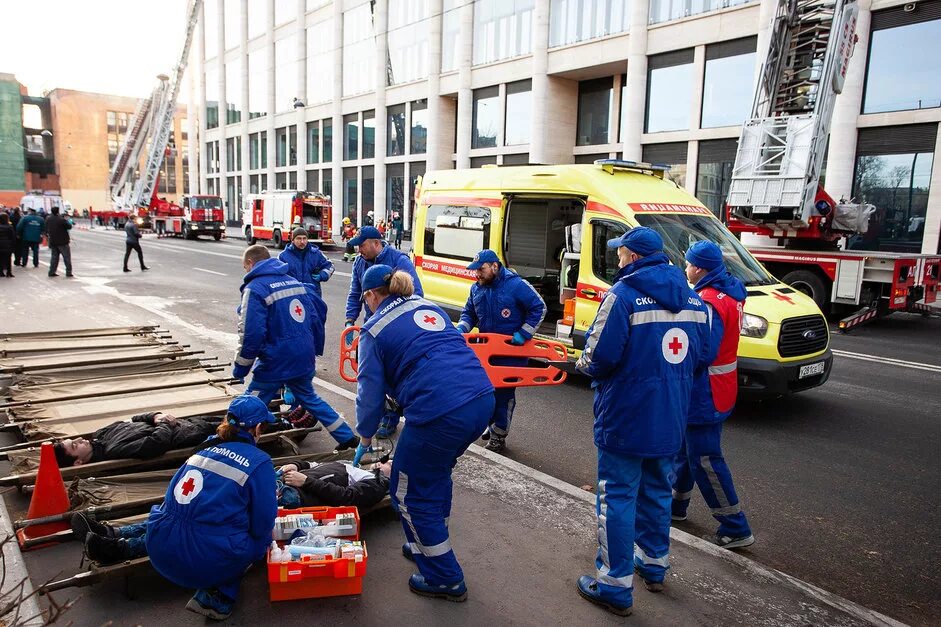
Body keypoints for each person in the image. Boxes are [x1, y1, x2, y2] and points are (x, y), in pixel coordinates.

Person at [573, 227, 710, 616]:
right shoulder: (695, 299)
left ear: (632, 257)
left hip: (626, 415)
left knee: (616, 496)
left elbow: (599, 356)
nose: (617, 258)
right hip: (671, 414)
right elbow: (702, 357)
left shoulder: (623, 296)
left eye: (620, 253)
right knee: (657, 491)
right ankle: (654, 563)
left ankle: (613, 585)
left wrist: (581, 364)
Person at [354, 264, 494, 601]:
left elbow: (369, 393)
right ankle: (427, 540)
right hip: (480, 398)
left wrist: (365, 437)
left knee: (406, 489)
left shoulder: (372, 330)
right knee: (434, 471)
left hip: (440, 411)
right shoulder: (426, 305)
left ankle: (444, 577)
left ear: (372, 295)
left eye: (365, 300)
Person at [77, 395, 279, 620]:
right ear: (258, 427)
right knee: (260, 541)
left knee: (180, 516)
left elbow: (171, 502)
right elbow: (262, 524)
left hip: (159, 545)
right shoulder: (259, 462)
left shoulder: (202, 452)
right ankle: (217, 598)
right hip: (201, 563)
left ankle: (118, 537)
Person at [672, 240, 754, 549]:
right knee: (686, 449)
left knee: (705, 458)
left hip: (703, 391)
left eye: (689, 263)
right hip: (719, 387)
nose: (686, 268)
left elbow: (703, 351)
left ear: (700, 268)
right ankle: (675, 506)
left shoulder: (707, 301)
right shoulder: (729, 292)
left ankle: (735, 526)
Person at [234, 245, 358, 450]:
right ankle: (347, 438)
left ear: (249, 263)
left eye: (245, 267)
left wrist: (240, 368)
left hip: (276, 360)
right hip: (303, 356)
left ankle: (233, 443)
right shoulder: (294, 283)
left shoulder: (255, 289)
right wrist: (313, 349)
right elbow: (315, 319)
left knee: (250, 402)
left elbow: (250, 333)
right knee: (310, 398)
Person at [456, 249, 546, 452]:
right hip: (486, 352)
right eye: (475, 270)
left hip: (510, 354)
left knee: (504, 396)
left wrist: (524, 333)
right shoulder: (476, 289)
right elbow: (469, 312)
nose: (477, 274)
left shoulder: (516, 285)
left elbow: (538, 308)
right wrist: (462, 327)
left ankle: (499, 434)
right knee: (484, 392)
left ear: (495, 267)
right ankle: (490, 424)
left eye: (481, 269)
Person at [53, 413, 219, 467]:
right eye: (75, 445)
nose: (80, 439)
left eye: (75, 439)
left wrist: (154, 416)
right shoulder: (114, 451)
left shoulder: (99, 435)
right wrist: (164, 423)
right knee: (238, 423)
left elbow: (133, 419)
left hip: (186, 423)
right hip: (190, 434)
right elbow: (156, 443)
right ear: (78, 462)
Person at [344, 225, 423, 327]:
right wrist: (350, 319)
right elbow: (355, 293)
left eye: (362, 245)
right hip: (372, 323)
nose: (359, 250)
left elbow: (416, 294)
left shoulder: (399, 260)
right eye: (358, 246)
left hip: (396, 324)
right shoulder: (359, 262)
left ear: (376, 243)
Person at [277, 458, 391, 509]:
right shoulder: (356, 468)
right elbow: (316, 465)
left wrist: (306, 482)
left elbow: (347, 497)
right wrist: (297, 465)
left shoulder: (376, 484)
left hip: (295, 494)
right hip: (286, 482)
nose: (383, 462)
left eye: (390, 465)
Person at [278, 227, 334, 299]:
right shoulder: (283, 256)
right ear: (293, 240)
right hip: (291, 297)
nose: (302, 241)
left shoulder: (316, 253)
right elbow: (277, 276)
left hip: (312, 296)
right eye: (298, 238)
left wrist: (322, 275)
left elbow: (330, 266)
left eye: (304, 238)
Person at [45, 206, 73, 277]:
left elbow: (46, 228)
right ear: (58, 211)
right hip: (63, 241)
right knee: (66, 257)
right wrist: (65, 219)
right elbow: (69, 226)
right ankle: (68, 272)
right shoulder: (61, 219)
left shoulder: (48, 219)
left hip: (53, 241)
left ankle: (51, 272)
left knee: (54, 258)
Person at [0, 213, 16, 277]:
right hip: (8, 245)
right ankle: (9, 272)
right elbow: (12, 237)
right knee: (8, 259)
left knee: (0, 258)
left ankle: (1, 272)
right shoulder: (10, 227)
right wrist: (13, 246)